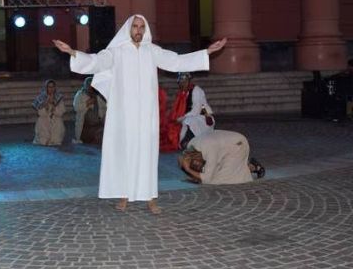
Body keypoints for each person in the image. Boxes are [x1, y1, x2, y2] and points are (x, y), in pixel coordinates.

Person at [53, 14, 226, 214]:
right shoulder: (117, 52)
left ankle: (150, 197)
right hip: (124, 114)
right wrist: (73, 52)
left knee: (147, 153)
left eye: (141, 27)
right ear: (128, 29)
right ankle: (124, 195)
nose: (138, 30)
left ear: (145, 30)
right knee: (125, 152)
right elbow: (97, 61)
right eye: (135, 26)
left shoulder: (151, 51)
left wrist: (207, 52)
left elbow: (177, 61)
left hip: (146, 114)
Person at [178, 129, 265, 185]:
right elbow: (184, 159)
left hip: (238, 144)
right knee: (217, 170)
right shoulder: (191, 146)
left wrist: (188, 170)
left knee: (221, 178)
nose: (199, 166)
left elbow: (207, 179)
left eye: (197, 165)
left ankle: (254, 167)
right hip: (227, 146)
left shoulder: (209, 149)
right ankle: (250, 165)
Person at [167, 72, 215, 150]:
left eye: (184, 82)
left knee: (189, 121)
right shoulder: (182, 93)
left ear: (189, 81)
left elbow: (197, 110)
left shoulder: (196, 91)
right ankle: (183, 141)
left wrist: (182, 118)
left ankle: (189, 141)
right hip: (188, 117)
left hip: (200, 117)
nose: (182, 84)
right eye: (181, 82)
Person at [72, 76, 107, 145]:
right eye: (89, 85)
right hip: (85, 126)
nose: (90, 87)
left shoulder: (97, 95)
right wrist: (87, 104)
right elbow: (76, 108)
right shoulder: (80, 95)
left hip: (97, 124)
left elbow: (104, 107)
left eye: (92, 85)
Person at [32, 79, 66, 146]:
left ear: (55, 87)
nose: (51, 89)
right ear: (46, 88)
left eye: (52, 87)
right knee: (42, 121)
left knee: (58, 122)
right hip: (44, 118)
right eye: (49, 87)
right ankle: (44, 139)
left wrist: (54, 107)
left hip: (55, 118)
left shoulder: (58, 98)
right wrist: (46, 105)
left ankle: (54, 139)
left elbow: (61, 112)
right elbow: (40, 113)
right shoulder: (41, 98)